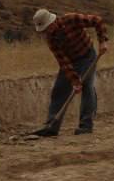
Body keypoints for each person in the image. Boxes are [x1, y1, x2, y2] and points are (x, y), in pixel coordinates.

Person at [32, 8, 108, 137]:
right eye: (44, 31)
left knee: (87, 87)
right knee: (59, 90)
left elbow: (97, 20)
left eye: (47, 28)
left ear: (53, 22)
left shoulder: (71, 19)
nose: (46, 32)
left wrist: (102, 41)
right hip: (71, 61)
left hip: (87, 56)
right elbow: (63, 61)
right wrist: (74, 80)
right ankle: (52, 126)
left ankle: (86, 126)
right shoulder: (51, 38)